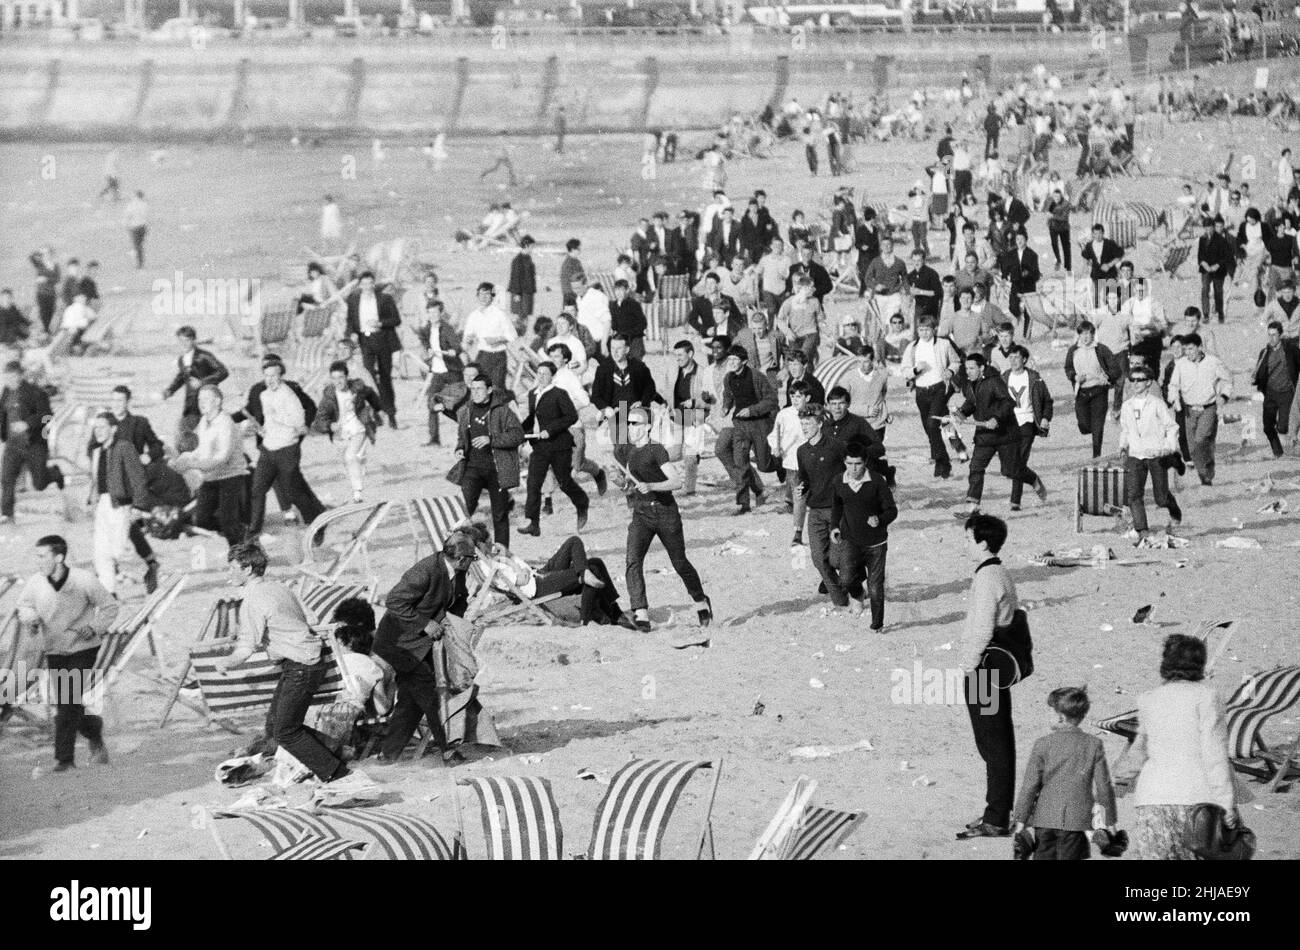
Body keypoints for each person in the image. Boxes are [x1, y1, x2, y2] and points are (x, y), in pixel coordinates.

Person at [217, 543, 372, 791]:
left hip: (301, 666)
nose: (229, 574)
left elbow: (246, 647)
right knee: (275, 725)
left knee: (286, 731)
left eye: (233, 568)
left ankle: (338, 775)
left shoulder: (253, 600)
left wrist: (225, 663)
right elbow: (305, 620)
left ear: (247, 569)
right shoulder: (279, 588)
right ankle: (337, 752)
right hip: (310, 660)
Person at [1120, 634, 1238, 860]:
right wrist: (1226, 804)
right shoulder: (1207, 697)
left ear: (1166, 663)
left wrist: (1117, 781)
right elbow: (1214, 755)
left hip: (1152, 798)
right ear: (1200, 664)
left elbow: (1139, 750)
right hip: (1196, 799)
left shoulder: (1149, 698)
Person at [371, 533, 480, 762]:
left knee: (412, 699)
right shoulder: (425, 571)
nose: (473, 562)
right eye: (472, 558)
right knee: (431, 693)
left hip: (422, 644)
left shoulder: (458, 571)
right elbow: (394, 601)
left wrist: (456, 623)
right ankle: (448, 748)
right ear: (461, 559)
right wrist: (425, 623)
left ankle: (388, 754)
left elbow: (460, 598)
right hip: (399, 644)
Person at [17, 535, 117, 771]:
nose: (38, 561)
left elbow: (110, 607)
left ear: (59, 557)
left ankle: (65, 760)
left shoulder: (84, 580)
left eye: (42, 556)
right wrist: (30, 618)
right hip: (55, 649)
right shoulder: (35, 582)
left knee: (67, 700)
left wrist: (93, 627)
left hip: (84, 648)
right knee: (68, 704)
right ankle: (93, 728)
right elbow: (24, 605)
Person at [612, 405, 712, 632]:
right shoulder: (627, 451)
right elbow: (631, 486)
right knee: (633, 560)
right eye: (628, 423)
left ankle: (700, 601)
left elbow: (676, 481)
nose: (630, 427)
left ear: (647, 427)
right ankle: (641, 613)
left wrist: (653, 485)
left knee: (679, 563)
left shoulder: (656, 450)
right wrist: (621, 484)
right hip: (641, 513)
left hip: (665, 512)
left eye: (635, 423)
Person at [955, 513, 1019, 839]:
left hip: (984, 671)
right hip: (996, 668)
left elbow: (981, 628)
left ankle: (995, 817)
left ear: (982, 542)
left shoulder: (986, 577)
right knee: (998, 742)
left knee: (992, 745)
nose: (965, 544)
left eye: (968, 539)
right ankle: (996, 812)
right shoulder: (1000, 572)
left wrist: (968, 667)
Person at [1010, 687, 1118, 860]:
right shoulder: (1094, 744)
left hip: (1044, 818)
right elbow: (1104, 787)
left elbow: (1030, 785)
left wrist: (1020, 819)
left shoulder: (1043, 744)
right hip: (1077, 820)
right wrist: (1110, 821)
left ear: (1060, 716)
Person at [245, 359, 326, 540]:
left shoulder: (289, 395)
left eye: (274, 375)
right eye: (267, 376)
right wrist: (263, 429)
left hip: (287, 449)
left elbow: (298, 423)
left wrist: (278, 417)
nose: (270, 379)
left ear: (281, 376)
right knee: (257, 489)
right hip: (268, 449)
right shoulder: (264, 396)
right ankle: (253, 531)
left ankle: (317, 525)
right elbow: (268, 421)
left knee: (293, 492)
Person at [952, 352, 1031, 516]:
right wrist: (959, 414)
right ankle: (973, 507)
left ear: (981, 368)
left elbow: (1008, 402)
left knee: (1009, 471)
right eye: (966, 368)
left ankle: (1033, 479)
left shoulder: (994, 381)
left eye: (972, 368)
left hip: (1005, 435)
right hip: (984, 436)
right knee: (975, 467)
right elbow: (972, 403)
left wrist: (996, 418)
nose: (968, 371)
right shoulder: (969, 384)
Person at [830, 439, 896, 631]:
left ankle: (877, 624)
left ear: (865, 462)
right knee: (846, 579)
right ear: (844, 462)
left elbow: (892, 510)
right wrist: (835, 526)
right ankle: (858, 595)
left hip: (876, 543)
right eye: (849, 464)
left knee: (875, 587)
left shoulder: (877, 481)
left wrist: (880, 519)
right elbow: (837, 506)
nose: (854, 468)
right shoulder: (838, 481)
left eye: (858, 464)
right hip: (851, 540)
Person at [171, 385, 248, 548]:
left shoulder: (226, 423)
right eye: (199, 399)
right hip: (210, 477)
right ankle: (240, 533)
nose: (201, 403)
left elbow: (222, 458)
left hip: (230, 477)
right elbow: (198, 448)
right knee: (202, 520)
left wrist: (193, 465)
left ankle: (241, 552)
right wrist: (182, 460)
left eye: (205, 399)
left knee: (228, 521)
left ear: (218, 401)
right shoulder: (204, 421)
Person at [520, 362, 589, 537]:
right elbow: (532, 419)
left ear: (552, 376)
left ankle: (582, 501)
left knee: (564, 482)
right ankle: (533, 522)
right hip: (540, 447)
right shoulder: (532, 394)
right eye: (539, 373)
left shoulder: (559, 394)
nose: (541, 376)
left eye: (545, 373)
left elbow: (571, 416)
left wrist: (550, 430)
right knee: (533, 483)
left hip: (560, 446)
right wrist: (520, 433)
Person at [86, 412, 150, 597]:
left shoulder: (124, 447)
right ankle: (109, 591)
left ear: (113, 429)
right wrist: (91, 501)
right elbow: (96, 480)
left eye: (102, 427)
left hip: (120, 505)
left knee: (118, 550)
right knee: (101, 552)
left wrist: (138, 505)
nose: (98, 431)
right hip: (102, 504)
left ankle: (147, 569)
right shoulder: (97, 452)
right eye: (95, 427)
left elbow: (137, 477)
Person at [1118, 363, 1183, 545]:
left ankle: (1173, 507)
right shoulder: (1127, 405)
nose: (1136, 383)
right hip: (1135, 454)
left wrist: (1168, 447)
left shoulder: (1156, 404)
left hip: (1156, 454)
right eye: (1133, 380)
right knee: (1134, 495)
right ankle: (1142, 531)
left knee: (1160, 497)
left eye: (1140, 380)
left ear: (1149, 383)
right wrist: (1123, 445)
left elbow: (1172, 426)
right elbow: (1125, 429)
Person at [0, 360, 66, 525]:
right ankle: (7, 514)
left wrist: (27, 424)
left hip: (34, 444)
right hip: (13, 445)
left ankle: (55, 474)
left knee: (39, 484)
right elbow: (3, 414)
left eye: (13, 377)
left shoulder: (36, 392)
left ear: (21, 375)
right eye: (7, 377)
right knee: (6, 478)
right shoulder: (6, 392)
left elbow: (47, 416)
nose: (10, 380)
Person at [1166, 332, 1232, 485]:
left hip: (1208, 408)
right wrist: (1174, 399)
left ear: (1200, 347)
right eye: (1185, 349)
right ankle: (1205, 473)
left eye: (1190, 349)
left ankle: (1206, 474)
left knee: (1201, 439)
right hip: (1189, 410)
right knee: (1192, 448)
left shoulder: (1213, 362)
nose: (1187, 353)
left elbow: (1228, 379)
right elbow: (1173, 385)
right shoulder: (1181, 364)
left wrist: (1224, 395)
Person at [313, 360, 384, 504]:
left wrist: (378, 409)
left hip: (358, 428)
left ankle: (357, 492)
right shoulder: (329, 396)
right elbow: (319, 419)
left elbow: (370, 394)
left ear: (347, 377)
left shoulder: (357, 388)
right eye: (334, 378)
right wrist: (329, 425)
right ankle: (359, 466)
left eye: (341, 377)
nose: (338, 381)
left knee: (350, 457)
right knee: (348, 461)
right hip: (340, 434)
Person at [902, 318, 961, 479]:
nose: (924, 333)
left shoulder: (943, 344)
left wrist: (950, 371)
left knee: (932, 423)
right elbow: (905, 370)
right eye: (921, 329)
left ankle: (940, 460)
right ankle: (944, 461)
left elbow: (956, 361)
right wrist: (915, 370)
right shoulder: (912, 347)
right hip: (921, 391)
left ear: (934, 329)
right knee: (929, 429)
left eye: (927, 329)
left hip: (939, 388)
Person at [722, 344, 777, 514]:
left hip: (759, 424)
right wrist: (726, 406)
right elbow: (728, 395)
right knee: (740, 464)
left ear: (744, 361)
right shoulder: (728, 378)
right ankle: (743, 504)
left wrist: (752, 410)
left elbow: (771, 400)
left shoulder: (757, 377)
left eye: (735, 359)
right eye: (729, 359)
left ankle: (781, 465)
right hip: (740, 425)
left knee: (764, 464)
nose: (731, 362)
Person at [344, 271, 402, 429]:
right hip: (365, 341)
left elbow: (396, 320)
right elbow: (350, 321)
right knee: (368, 376)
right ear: (360, 285)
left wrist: (381, 323)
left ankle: (391, 414)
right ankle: (377, 411)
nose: (367, 287)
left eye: (370, 283)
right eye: (364, 284)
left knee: (385, 377)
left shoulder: (385, 299)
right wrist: (352, 334)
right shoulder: (354, 299)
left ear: (374, 284)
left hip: (383, 339)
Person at [161, 325, 229, 450]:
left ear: (193, 340)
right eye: (181, 341)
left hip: (208, 404)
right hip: (191, 405)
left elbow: (223, 372)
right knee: (185, 436)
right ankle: (185, 462)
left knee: (208, 438)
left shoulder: (204, 356)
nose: (184, 344)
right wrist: (170, 390)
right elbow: (182, 377)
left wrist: (202, 382)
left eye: (187, 340)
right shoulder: (182, 359)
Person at [1002, 346, 1051, 511]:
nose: (1013, 361)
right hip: (1009, 425)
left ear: (1024, 359)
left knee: (1018, 462)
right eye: (1011, 357)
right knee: (1009, 467)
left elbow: (1047, 400)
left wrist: (1045, 418)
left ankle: (1015, 501)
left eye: (1017, 357)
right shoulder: (1004, 377)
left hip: (1027, 423)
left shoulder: (1034, 378)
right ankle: (1033, 479)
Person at [1064, 321, 1121, 459]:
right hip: (1082, 392)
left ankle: (1096, 454)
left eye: (1089, 333)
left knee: (1097, 425)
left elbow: (1116, 369)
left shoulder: (1101, 349)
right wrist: (1075, 376)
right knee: (1084, 425)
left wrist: (1107, 376)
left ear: (1093, 334)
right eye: (1083, 333)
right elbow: (1068, 368)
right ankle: (1088, 430)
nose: (1085, 337)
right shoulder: (1073, 350)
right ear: (1078, 335)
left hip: (1099, 391)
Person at [664, 339, 710, 495]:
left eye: (680, 355)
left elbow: (711, 399)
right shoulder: (673, 370)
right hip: (676, 416)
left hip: (695, 418)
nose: (677, 358)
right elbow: (667, 389)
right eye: (675, 355)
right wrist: (667, 405)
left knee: (690, 455)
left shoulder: (702, 373)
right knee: (675, 453)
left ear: (690, 354)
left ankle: (689, 489)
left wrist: (695, 402)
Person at [769, 381, 810, 544]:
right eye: (792, 396)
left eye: (799, 396)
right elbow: (774, 436)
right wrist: (775, 448)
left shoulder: (814, 413)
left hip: (812, 463)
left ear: (807, 397)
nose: (795, 400)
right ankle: (798, 533)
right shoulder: (784, 414)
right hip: (792, 464)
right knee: (799, 497)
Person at [1254, 321, 1300, 458]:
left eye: (1274, 335)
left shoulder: (1291, 350)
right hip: (1270, 393)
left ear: (1281, 335)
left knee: (1283, 427)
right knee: (1267, 426)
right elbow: (1259, 370)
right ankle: (1278, 453)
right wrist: (1255, 380)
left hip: (1287, 393)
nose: (1271, 338)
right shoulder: (1264, 352)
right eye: (1269, 335)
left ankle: (1293, 442)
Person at [999, 229, 1040, 336]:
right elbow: (1005, 268)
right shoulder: (1010, 254)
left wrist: (1029, 274)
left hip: (1029, 286)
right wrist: (1003, 278)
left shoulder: (1032, 255)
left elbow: (1036, 273)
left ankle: (1027, 335)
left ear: (1026, 240)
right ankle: (1016, 317)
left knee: (1028, 312)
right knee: (1012, 307)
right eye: (1017, 239)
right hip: (1016, 284)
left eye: (1022, 239)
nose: (1019, 241)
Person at [863, 235, 909, 323]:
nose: (886, 247)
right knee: (882, 321)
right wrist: (875, 286)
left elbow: (905, 279)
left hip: (894, 295)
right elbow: (867, 278)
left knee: (892, 319)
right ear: (881, 247)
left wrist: (907, 292)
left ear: (892, 246)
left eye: (889, 245)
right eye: (884, 245)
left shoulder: (900, 262)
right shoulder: (875, 262)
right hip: (879, 296)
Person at [1197, 215, 1235, 323]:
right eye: (1205, 227)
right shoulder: (1202, 239)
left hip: (1218, 269)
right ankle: (1205, 314)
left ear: (1213, 227)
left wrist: (1216, 265)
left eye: (1209, 227)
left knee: (1218, 291)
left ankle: (1220, 313)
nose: (1207, 229)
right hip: (1206, 269)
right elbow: (1200, 256)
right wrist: (1205, 265)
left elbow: (1226, 256)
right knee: (1205, 289)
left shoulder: (1221, 240)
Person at [1080, 222, 1124, 304]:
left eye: (1100, 233)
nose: (1098, 236)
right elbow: (1085, 257)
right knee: (1096, 296)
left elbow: (1120, 254)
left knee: (1111, 295)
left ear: (1103, 233)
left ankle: (1115, 310)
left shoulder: (1110, 243)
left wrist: (1109, 264)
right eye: (1095, 233)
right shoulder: (1089, 245)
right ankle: (1097, 313)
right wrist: (1085, 269)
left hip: (1109, 273)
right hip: (1096, 274)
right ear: (1092, 234)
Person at [608, 279, 648, 360]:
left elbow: (643, 323)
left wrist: (631, 333)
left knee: (635, 362)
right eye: (616, 290)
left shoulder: (633, 304)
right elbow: (614, 325)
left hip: (634, 338)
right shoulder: (613, 305)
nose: (618, 293)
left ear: (627, 290)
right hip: (620, 338)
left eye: (621, 290)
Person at [507, 235, 537, 336]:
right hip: (520, 293)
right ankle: (517, 334)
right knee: (519, 315)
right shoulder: (517, 260)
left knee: (526, 315)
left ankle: (523, 334)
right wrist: (516, 294)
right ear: (526, 246)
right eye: (532, 246)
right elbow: (515, 278)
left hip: (528, 292)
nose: (532, 249)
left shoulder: (528, 258)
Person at [1045, 189, 1073, 272]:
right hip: (1053, 226)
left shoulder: (1066, 204)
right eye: (1054, 196)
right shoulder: (1050, 201)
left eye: (1057, 196)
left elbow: (1064, 218)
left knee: (1066, 247)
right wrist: (1048, 220)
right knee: (1054, 244)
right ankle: (1058, 259)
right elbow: (1048, 212)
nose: (1056, 198)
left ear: (1061, 196)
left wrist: (1052, 216)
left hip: (1063, 228)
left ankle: (1068, 267)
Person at [124, 190, 148, 269]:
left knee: (137, 246)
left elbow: (127, 215)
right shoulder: (145, 204)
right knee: (140, 245)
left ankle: (140, 263)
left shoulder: (131, 205)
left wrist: (127, 225)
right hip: (143, 227)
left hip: (134, 227)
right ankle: (141, 261)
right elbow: (147, 215)